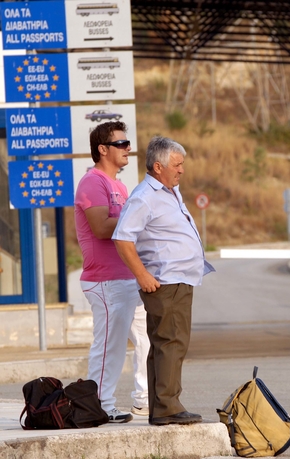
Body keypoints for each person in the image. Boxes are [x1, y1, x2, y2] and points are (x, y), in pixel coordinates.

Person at [113, 136, 215, 426]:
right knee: (172, 342)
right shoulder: (145, 196)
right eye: (177, 165)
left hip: (178, 280)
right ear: (158, 166)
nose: (182, 170)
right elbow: (122, 238)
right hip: (165, 282)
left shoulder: (169, 191)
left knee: (164, 344)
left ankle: (161, 407)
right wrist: (142, 275)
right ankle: (169, 406)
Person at [74, 121, 150, 423]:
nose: (127, 148)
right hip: (105, 280)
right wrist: (138, 220)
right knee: (109, 345)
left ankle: (144, 400)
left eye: (127, 143)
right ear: (102, 149)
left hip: (127, 277)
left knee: (147, 340)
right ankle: (100, 405)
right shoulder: (93, 182)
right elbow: (102, 227)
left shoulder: (119, 185)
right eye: (121, 143)